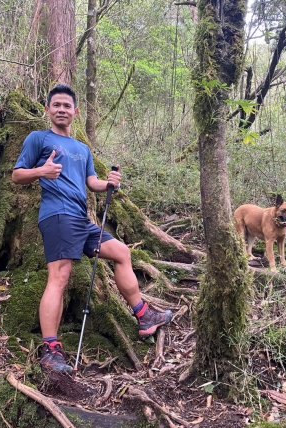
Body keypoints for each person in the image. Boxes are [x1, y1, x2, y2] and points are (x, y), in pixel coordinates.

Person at [12, 84, 172, 374]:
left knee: (122, 252)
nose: (61, 109)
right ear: (48, 109)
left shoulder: (82, 149)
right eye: (56, 105)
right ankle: (51, 349)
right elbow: (17, 175)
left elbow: (92, 182)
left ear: (76, 112)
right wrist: (41, 172)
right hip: (57, 216)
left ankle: (144, 316)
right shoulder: (38, 139)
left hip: (81, 220)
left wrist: (109, 183)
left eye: (67, 106)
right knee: (59, 277)